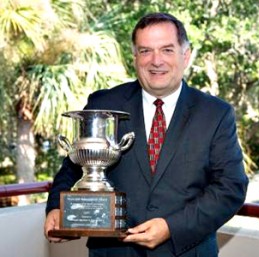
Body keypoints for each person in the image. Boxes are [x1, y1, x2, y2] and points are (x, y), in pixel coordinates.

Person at [44, 12, 248, 257]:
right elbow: (73, 168)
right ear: (135, 58)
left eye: (167, 50)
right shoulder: (105, 103)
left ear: (186, 55)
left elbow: (230, 188)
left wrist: (170, 228)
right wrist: (56, 208)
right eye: (145, 51)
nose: (156, 61)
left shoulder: (216, 114)